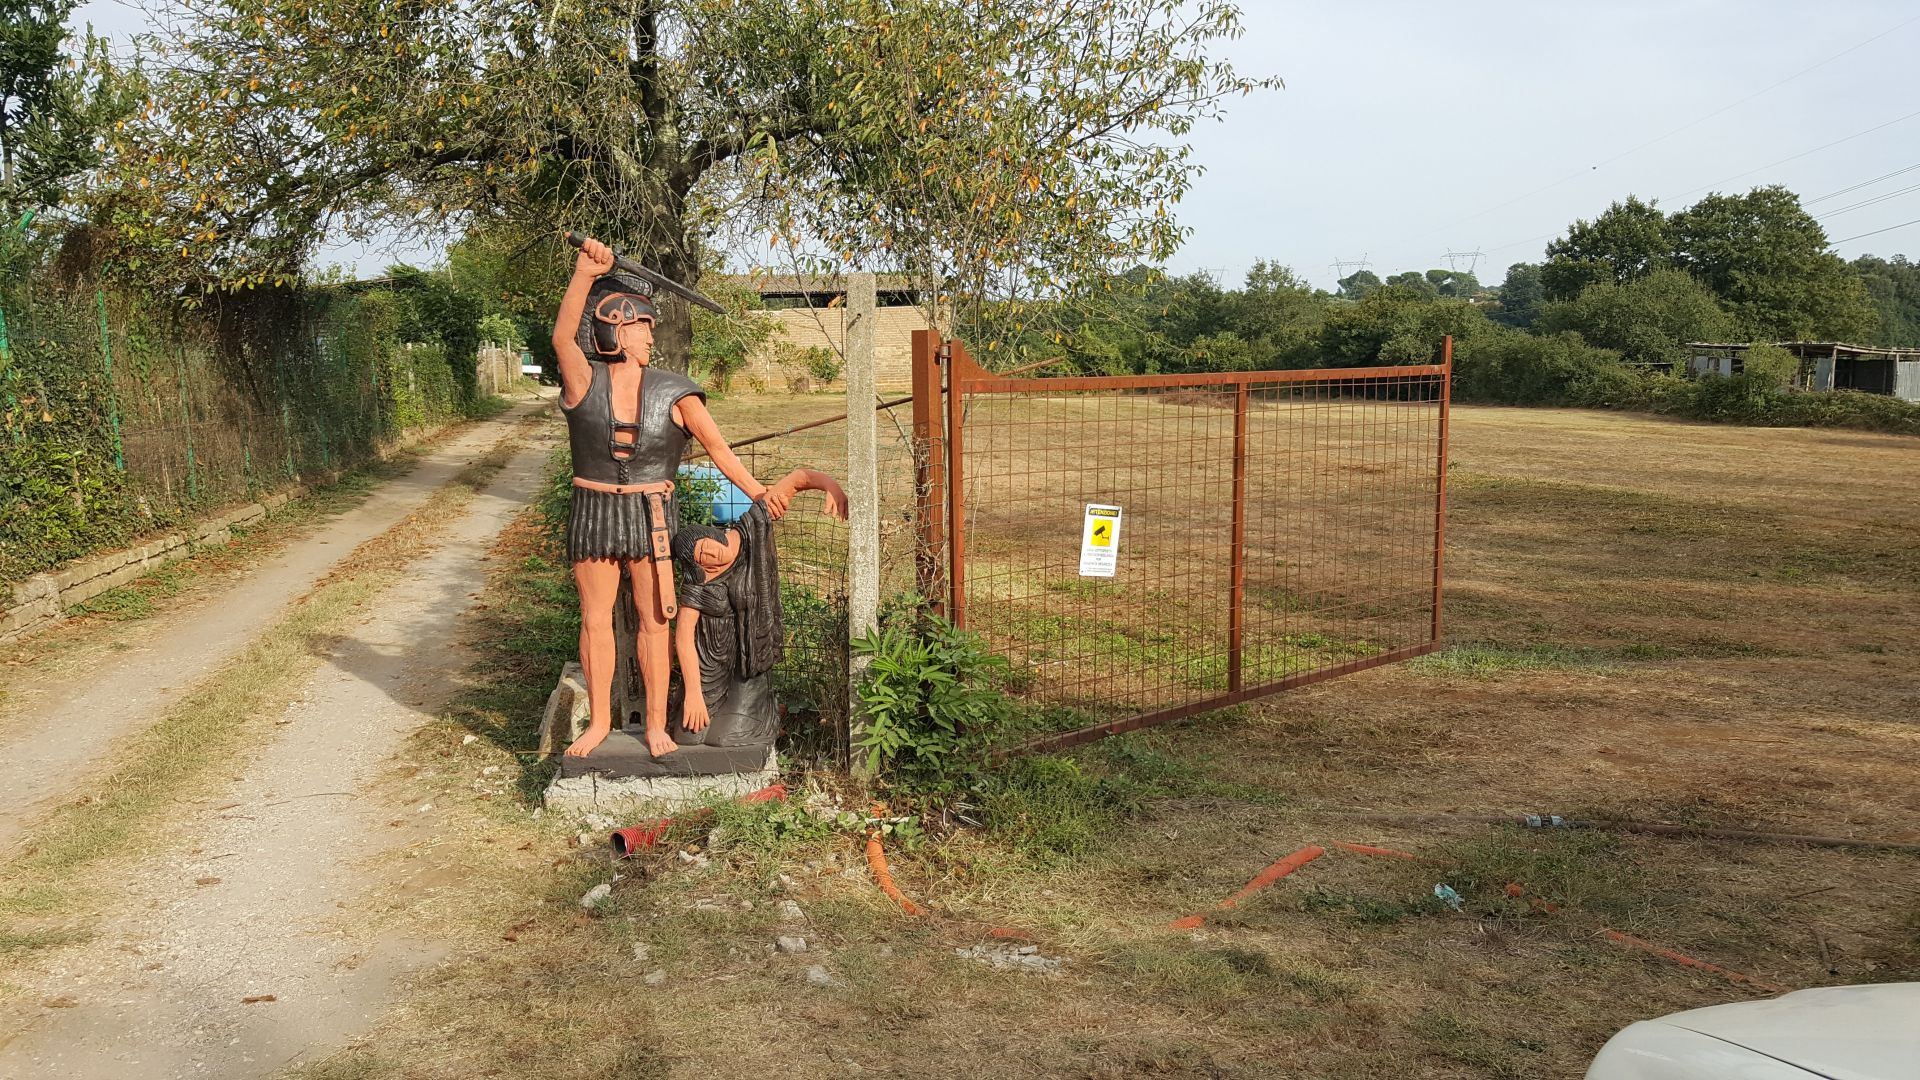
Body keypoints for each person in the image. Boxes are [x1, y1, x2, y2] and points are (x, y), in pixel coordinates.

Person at [551, 238, 837, 758]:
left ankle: (657, 724)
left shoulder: (675, 391)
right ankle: (598, 722)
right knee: (594, 619)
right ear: (614, 329)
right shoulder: (582, 381)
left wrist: (758, 492)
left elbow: (719, 448)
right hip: (595, 510)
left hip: (652, 514)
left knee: (655, 619)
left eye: (650, 330)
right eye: (641, 329)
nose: (649, 339)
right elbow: (562, 337)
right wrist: (584, 274)